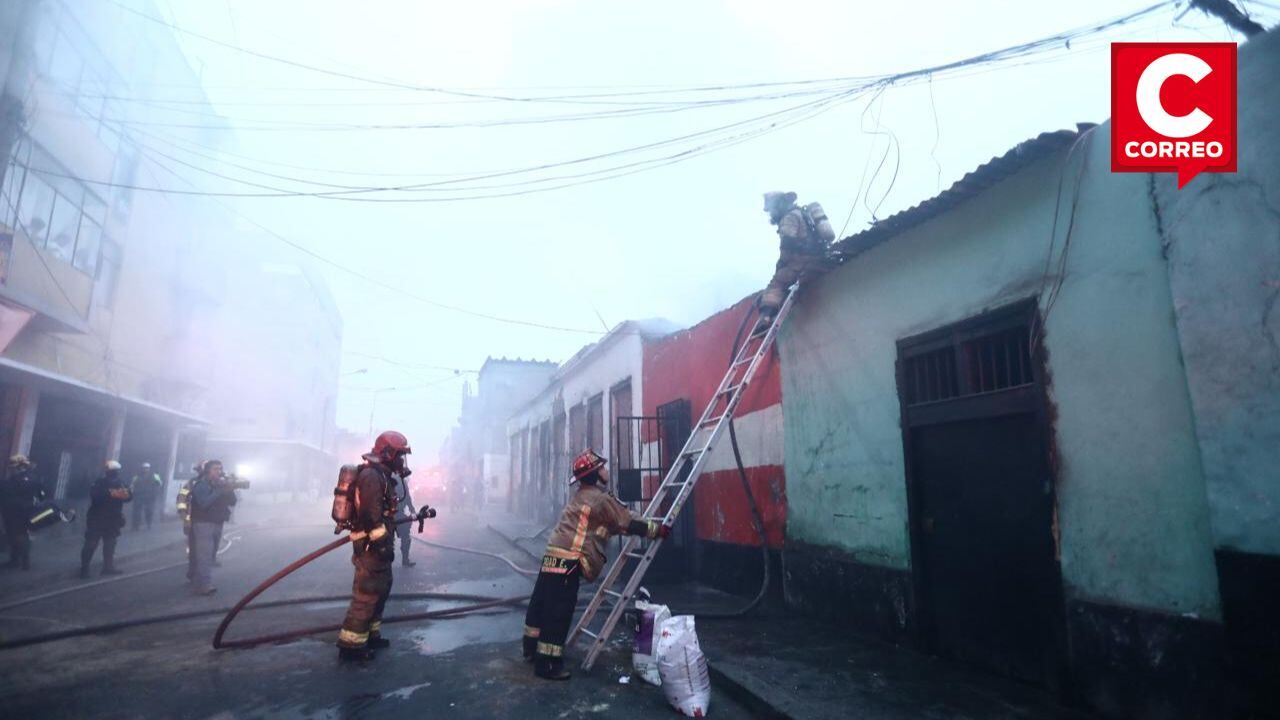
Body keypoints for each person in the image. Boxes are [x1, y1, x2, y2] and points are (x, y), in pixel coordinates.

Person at [523, 449, 668, 681]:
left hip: (552, 555)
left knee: (541, 605)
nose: (606, 471)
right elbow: (627, 521)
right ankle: (547, 665)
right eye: (602, 468)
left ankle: (531, 649)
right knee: (558, 612)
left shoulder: (581, 496)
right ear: (596, 474)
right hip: (570, 559)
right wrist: (656, 530)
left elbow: (608, 524)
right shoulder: (600, 499)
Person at [336, 430, 410, 661]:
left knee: (381, 590)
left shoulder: (382, 475)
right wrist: (381, 546)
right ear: (388, 453)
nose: (402, 461)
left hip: (379, 545)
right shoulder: (371, 476)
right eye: (399, 455)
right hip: (370, 547)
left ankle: (370, 635)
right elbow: (370, 516)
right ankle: (351, 646)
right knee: (367, 594)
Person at [758, 191, 836, 331]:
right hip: (819, 256)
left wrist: (781, 264)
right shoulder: (803, 213)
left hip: (802, 261)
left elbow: (787, 244)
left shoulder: (789, 218)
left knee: (776, 283)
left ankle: (766, 317)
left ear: (779, 205)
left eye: (772, 209)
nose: (771, 214)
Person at [188, 460, 237, 595]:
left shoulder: (219, 484)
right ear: (207, 471)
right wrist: (219, 491)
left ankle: (199, 581)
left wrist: (229, 489)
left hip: (217, 522)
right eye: (215, 469)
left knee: (210, 555)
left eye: (220, 469)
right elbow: (204, 503)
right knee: (204, 555)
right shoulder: (201, 485)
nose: (219, 472)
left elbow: (233, 502)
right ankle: (204, 585)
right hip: (203, 523)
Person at [81, 460, 132, 578]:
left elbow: (129, 496)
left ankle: (108, 567)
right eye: (113, 471)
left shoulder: (120, 483)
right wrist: (116, 493)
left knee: (110, 544)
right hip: (97, 518)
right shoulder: (99, 483)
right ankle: (84, 569)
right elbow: (96, 496)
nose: (114, 473)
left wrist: (112, 493)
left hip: (113, 519)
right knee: (91, 544)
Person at [2, 455, 44, 571]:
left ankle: (23, 562)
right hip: (21, 510)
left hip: (18, 512)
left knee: (19, 536)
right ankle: (18, 560)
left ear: (20, 467)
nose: (11, 469)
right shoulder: (32, 477)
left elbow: (9, 493)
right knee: (17, 535)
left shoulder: (19, 479)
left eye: (13, 467)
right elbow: (41, 494)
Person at [392, 465, 416, 568]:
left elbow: (407, 497)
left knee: (406, 537)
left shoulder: (402, 481)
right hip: (387, 516)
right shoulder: (385, 479)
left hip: (398, 514)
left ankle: (405, 559)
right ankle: (404, 560)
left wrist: (412, 510)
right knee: (386, 541)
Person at [129, 462, 162, 531]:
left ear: (149, 468)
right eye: (144, 468)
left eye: (147, 468)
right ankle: (136, 526)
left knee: (149, 511)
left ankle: (149, 523)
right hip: (139, 496)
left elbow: (159, 484)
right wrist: (132, 493)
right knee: (137, 512)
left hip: (150, 496)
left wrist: (155, 492)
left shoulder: (155, 476)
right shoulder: (137, 476)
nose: (145, 469)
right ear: (142, 469)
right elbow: (132, 485)